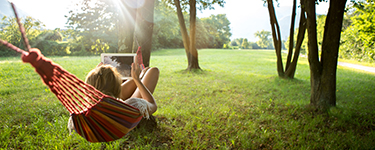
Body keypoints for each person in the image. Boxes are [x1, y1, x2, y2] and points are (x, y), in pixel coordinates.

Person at [67, 58, 159, 133]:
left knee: (146, 73)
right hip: (122, 111)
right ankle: (140, 76)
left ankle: (141, 75)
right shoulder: (133, 105)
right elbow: (152, 105)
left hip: (109, 105)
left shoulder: (81, 116)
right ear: (118, 88)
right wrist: (137, 80)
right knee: (153, 71)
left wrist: (97, 76)